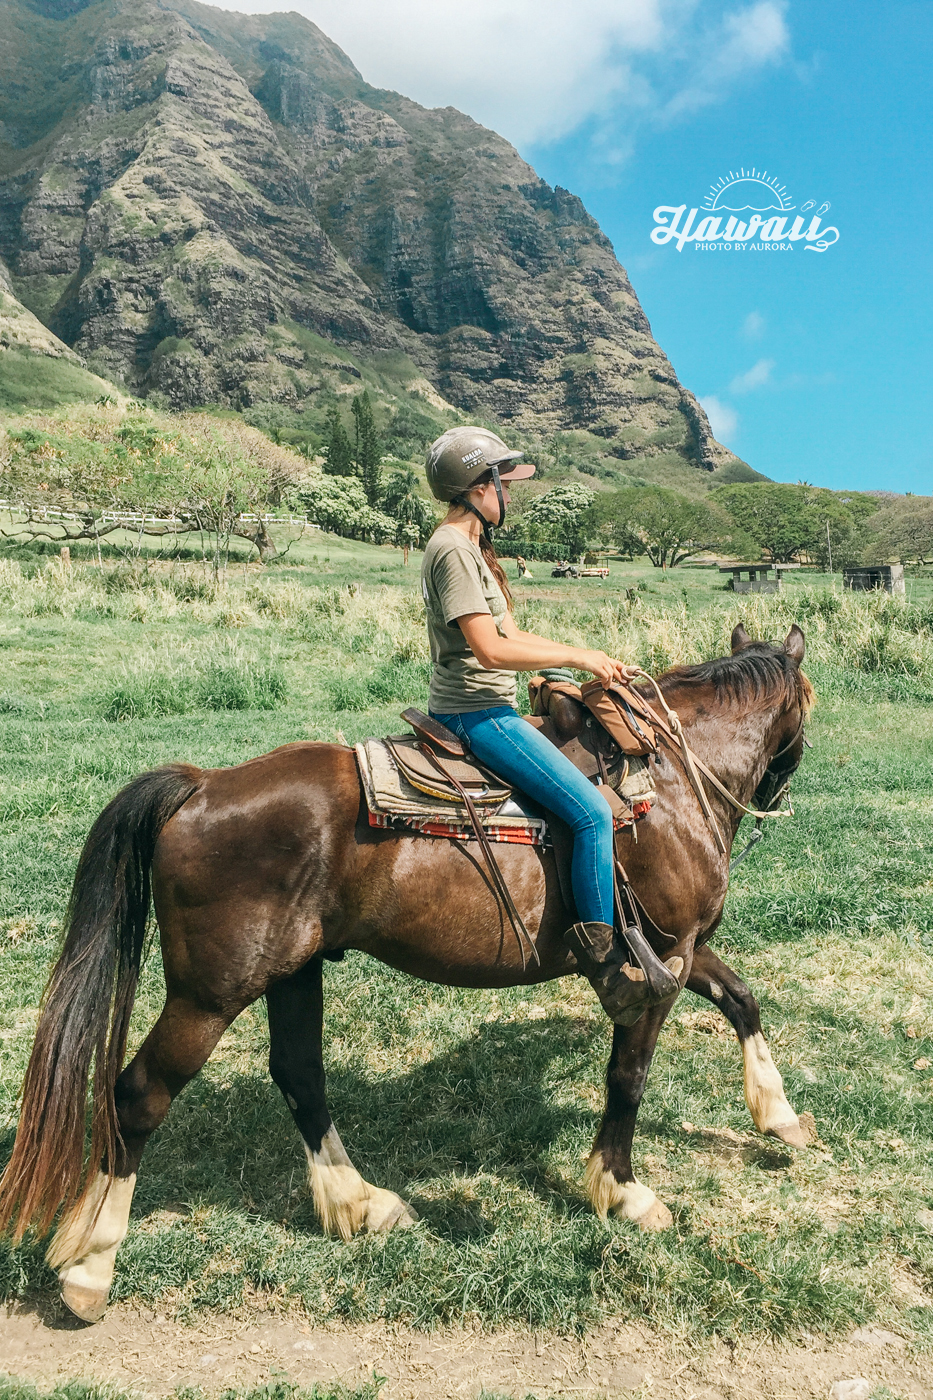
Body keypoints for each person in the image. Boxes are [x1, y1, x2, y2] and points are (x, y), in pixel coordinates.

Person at [422, 427, 682, 1024]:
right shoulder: (453, 550)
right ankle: (606, 965)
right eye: (500, 483)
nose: (508, 495)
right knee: (591, 811)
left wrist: (582, 653)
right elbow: (489, 649)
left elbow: (510, 634)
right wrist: (573, 657)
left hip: (488, 706)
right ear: (476, 487)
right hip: (475, 714)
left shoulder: (469, 547)